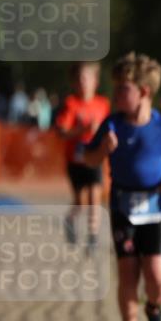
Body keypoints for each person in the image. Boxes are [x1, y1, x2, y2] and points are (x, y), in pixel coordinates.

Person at [84, 52, 161, 321]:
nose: (116, 95)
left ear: (144, 92)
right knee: (128, 272)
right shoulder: (112, 125)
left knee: (157, 277)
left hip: (155, 209)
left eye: (123, 89)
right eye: (116, 88)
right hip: (122, 209)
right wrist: (103, 150)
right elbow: (88, 157)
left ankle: (154, 309)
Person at [54, 62, 111, 252]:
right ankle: (70, 219)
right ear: (74, 82)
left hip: (94, 158)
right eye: (79, 78)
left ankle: (92, 237)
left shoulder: (103, 104)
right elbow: (62, 131)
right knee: (81, 201)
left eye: (87, 78)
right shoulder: (71, 104)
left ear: (95, 81)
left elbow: (109, 129)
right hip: (75, 160)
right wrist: (82, 130)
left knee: (95, 196)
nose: (83, 82)